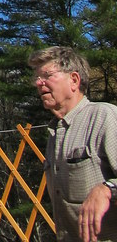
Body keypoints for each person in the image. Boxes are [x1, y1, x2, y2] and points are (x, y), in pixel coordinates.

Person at [30, 45, 117, 242]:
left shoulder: (104, 117)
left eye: (47, 75)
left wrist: (107, 189)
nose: (38, 82)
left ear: (74, 80)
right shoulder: (55, 133)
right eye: (36, 78)